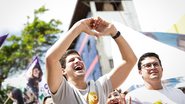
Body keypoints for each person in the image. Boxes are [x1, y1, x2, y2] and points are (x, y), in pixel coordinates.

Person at [45, 17, 137, 104]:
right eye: (71, 60)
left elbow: (130, 60)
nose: (77, 61)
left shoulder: (100, 87)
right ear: (63, 70)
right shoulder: (62, 90)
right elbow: (51, 59)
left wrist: (114, 31)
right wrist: (79, 26)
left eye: (80, 59)